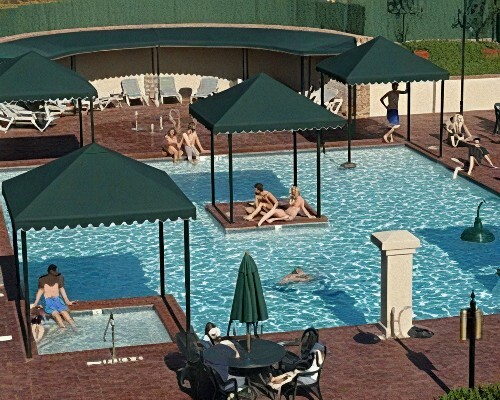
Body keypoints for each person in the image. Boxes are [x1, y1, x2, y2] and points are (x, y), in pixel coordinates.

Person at [31, 264, 77, 329]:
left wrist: (68, 302)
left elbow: (62, 291)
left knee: (65, 313)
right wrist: (35, 304)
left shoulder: (59, 279)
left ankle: (75, 328)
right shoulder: (42, 280)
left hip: (58, 300)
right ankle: (63, 328)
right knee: (56, 315)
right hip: (48, 302)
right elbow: (40, 292)